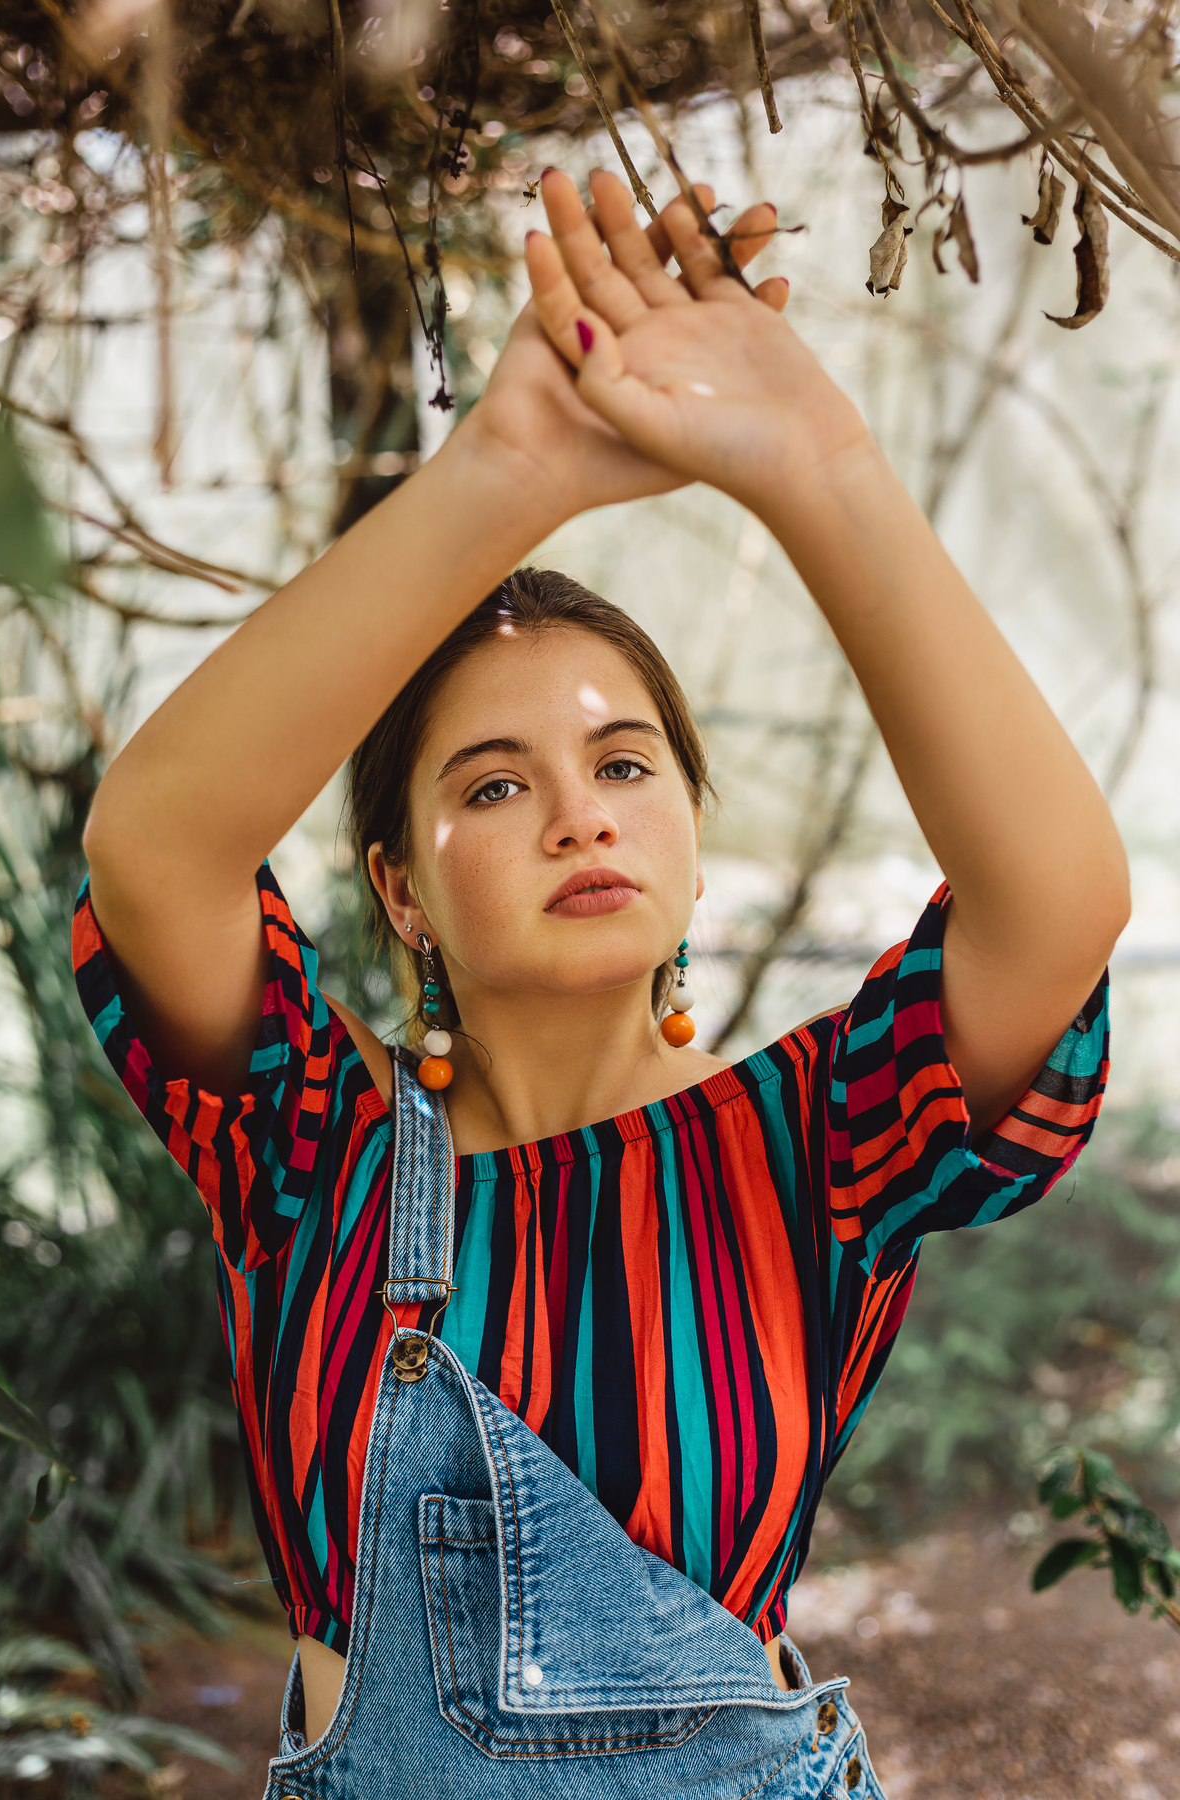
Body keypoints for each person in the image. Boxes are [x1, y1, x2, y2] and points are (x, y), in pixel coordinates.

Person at [73, 168, 1125, 1795]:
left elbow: (1056, 906)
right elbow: (155, 848)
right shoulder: (311, 1156)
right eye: (493, 784)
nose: (576, 809)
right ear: (403, 894)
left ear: (692, 844)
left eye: (623, 763)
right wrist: (509, 470)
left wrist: (820, 466)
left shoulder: (815, 1149)